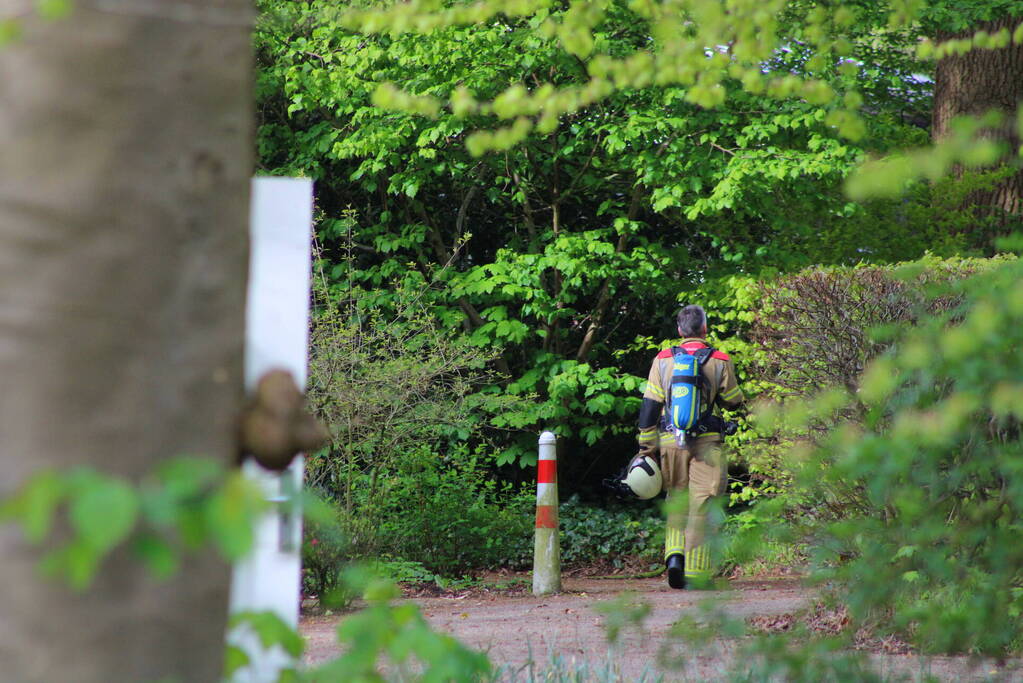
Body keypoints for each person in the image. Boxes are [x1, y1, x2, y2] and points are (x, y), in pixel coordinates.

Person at [634, 304, 744, 589]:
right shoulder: (720, 359)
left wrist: (647, 445)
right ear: (704, 329)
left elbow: (650, 404)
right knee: (703, 502)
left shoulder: (663, 359)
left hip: (671, 441)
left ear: (680, 331)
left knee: (677, 498)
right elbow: (734, 400)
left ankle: (673, 557)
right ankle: (696, 572)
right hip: (707, 442)